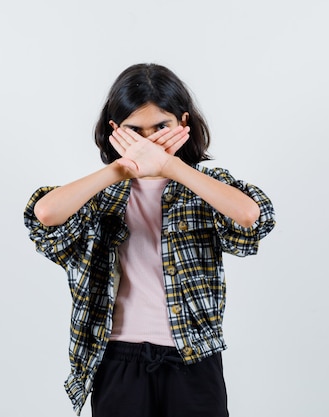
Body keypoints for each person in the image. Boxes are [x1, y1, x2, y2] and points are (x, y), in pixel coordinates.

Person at [23, 63, 276, 417]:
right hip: (118, 357)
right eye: (135, 131)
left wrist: (170, 167)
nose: (148, 141)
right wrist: (122, 168)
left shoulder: (201, 186)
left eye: (161, 127)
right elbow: (46, 215)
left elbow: (251, 218)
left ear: (182, 124)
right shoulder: (103, 194)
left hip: (193, 356)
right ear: (115, 130)